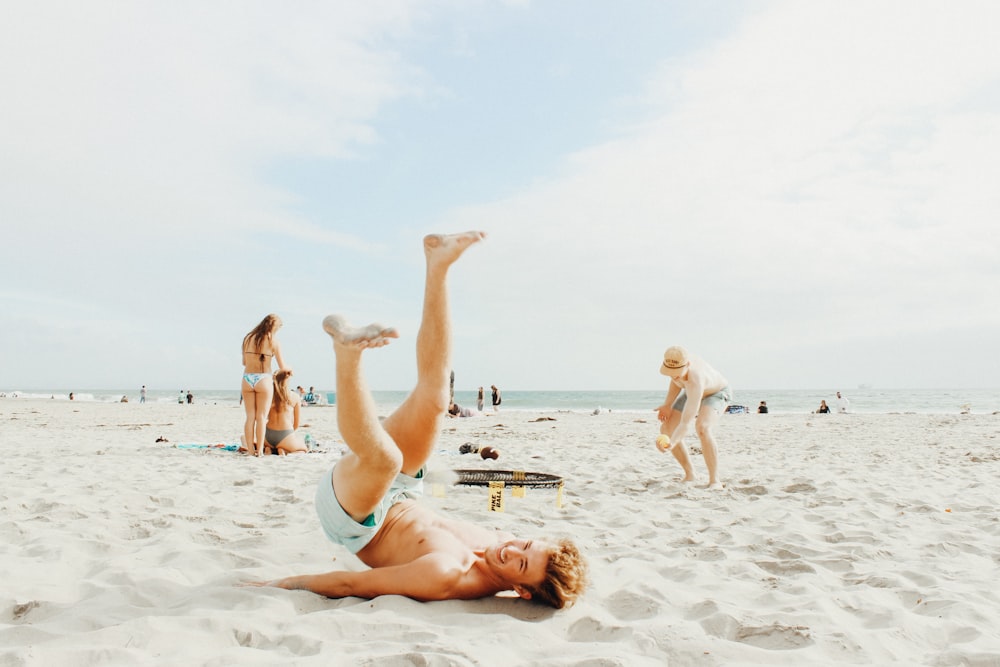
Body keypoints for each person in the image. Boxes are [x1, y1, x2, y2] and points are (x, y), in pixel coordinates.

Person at [247, 232, 586, 607]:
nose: (510, 549)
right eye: (523, 544)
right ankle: (438, 264)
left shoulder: (445, 576)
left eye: (520, 563)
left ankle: (347, 353)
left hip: (357, 517)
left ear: (521, 591)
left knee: (385, 458)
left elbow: (351, 585)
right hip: (404, 491)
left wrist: (274, 586)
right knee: (437, 398)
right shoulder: (499, 542)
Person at [654, 346, 731, 488]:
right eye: (670, 372)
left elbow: (685, 423)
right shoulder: (678, 365)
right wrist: (667, 405)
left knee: (702, 427)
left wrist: (672, 443)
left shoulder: (696, 379)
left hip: (716, 393)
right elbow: (676, 381)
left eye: (676, 372)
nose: (674, 375)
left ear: (688, 365)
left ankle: (715, 481)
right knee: (667, 428)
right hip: (691, 391)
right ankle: (691, 475)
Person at [242, 314, 287, 456]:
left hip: (247, 378)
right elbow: (282, 367)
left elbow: (244, 362)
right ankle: (260, 451)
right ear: (275, 327)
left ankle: (250, 451)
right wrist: (290, 370)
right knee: (261, 417)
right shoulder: (273, 341)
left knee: (250, 417)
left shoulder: (248, 338)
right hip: (263, 378)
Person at [264, 369, 308, 455]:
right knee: (304, 449)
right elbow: (296, 425)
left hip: (267, 435)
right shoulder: (295, 396)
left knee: (270, 445)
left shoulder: (268, 395)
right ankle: (283, 449)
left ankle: (270, 449)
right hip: (285, 434)